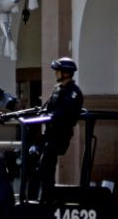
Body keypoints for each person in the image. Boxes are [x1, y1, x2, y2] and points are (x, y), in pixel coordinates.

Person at [36, 57, 84, 203]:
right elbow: (47, 106)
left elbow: (64, 112)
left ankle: (47, 198)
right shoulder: (58, 89)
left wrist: (51, 116)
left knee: (46, 165)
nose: (56, 73)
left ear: (66, 73)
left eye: (58, 71)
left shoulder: (73, 92)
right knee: (40, 165)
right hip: (49, 134)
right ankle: (42, 196)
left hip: (60, 135)